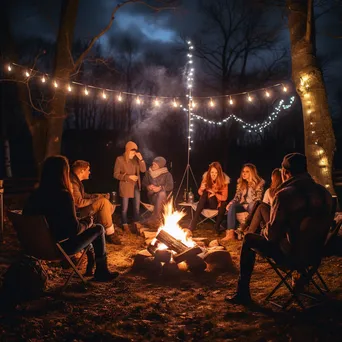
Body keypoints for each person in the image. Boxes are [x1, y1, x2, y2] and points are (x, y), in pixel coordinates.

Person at [227, 153, 333, 304]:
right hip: (315, 253)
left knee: (249, 238)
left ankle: (242, 292)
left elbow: (272, 236)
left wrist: (264, 228)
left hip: (292, 255)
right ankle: (302, 277)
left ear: (285, 173)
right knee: (262, 207)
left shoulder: (285, 195)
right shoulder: (325, 193)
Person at [23, 155, 119, 282]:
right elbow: (74, 230)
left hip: (35, 247)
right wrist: (87, 222)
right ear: (63, 172)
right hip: (59, 248)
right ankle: (101, 271)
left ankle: (95, 265)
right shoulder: (64, 196)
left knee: (88, 227)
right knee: (99, 228)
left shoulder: (34, 195)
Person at [70, 160, 121, 245]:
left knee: (105, 202)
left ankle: (104, 230)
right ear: (82, 171)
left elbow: (83, 195)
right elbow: (79, 202)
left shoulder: (75, 180)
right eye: (88, 170)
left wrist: (98, 196)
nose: (89, 172)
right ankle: (110, 233)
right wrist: (96, 200)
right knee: (103, 202)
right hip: (78, 213)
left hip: (80, 210)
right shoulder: (73, 183)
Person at [222, 163, 265, 241]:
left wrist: (249, 205)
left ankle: (246, 229)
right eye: (243, 171)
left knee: (252, 205)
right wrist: (231, 203)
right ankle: (230, 233)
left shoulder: (259, 183)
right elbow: (236, 197)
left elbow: (258, 199)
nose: (244, 173)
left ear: (252, 173)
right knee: (232, 206)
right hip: (242, 205)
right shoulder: (241, 183)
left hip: (252, 205)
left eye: (247, 171)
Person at [114, 141, 146, 232]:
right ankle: (125, 224)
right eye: (132, 152)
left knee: (136, 206)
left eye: (135, 152)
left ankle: (136, 222)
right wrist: (128, 177)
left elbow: (143, 170)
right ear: (127, 151)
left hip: (135, 186)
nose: (134, 154)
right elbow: (116, 174)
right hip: (125, 186)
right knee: (124, 207)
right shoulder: (120, 159)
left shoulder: (136, 160)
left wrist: (141, 160)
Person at [188, 162, 230, 232]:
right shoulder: (206, 178)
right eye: (212, 172)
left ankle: (216, 227)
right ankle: (193, 223)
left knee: (224, 203)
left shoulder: (224, 182)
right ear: (209, 172)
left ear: (219, 173)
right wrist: (201, 188)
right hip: (205, 203)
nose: (213, 174)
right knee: (205, 193)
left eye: (216, 173)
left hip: (215, 203)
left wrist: (215, 194)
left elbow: (224, 198)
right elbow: (200, 193)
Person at [243, 168, 282, 234]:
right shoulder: (273, 191)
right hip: (272, 217)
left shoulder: (277, 192)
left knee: (260, 205)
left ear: (273, 178)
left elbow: (275, 208)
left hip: (276, 219)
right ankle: (247, 229)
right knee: (259, 204)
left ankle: (246, 227)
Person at [142, 156, 174, 225]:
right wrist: (148, 186)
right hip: (152, 195)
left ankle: (156, 218)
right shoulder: (148, 173)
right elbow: (144, 184)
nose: (153, 165)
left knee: (161, 193)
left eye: (155, 164)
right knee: (159, 194)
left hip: (163, 197)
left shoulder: (167, 174)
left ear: (160, 166)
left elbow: (170, 186)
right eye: (153, 163)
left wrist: (160, 188)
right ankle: (156, 218)